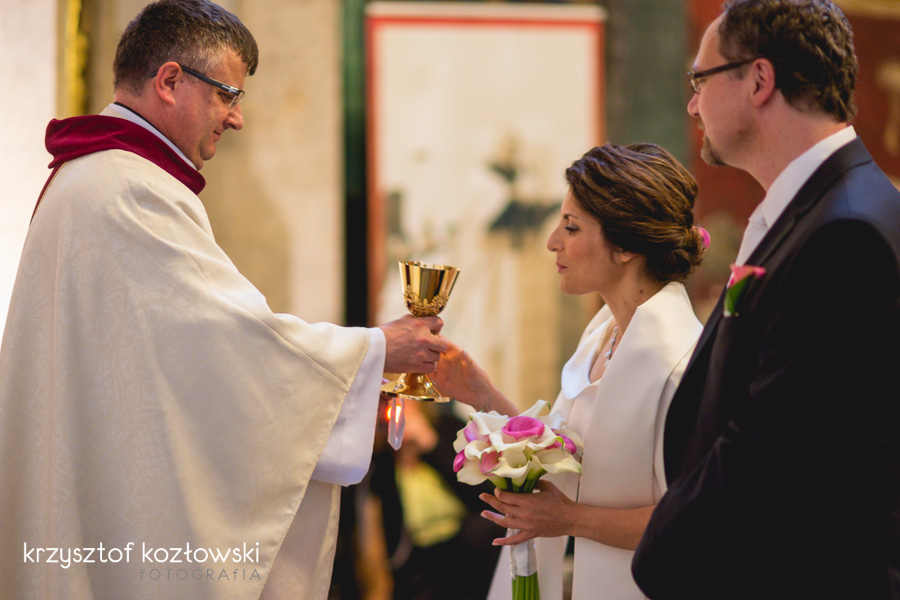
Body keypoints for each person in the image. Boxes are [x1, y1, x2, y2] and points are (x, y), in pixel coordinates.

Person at [0, 1, 447, 598]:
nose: (237, 118)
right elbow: (231, 347)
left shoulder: (97, 177)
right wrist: (376, 350)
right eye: (227, 95)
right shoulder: (129, 190)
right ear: (169, 81)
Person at [631, 1, 900, 598]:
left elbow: (776, 442)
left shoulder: (845, 230)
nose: (692, 105)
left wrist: (658, 555)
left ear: (758, 80)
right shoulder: (821, 205)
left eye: (700, 80)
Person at [433, 142, 707, 600]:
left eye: (572, 227)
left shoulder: (678, 361)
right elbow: (566, 455)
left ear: (625, 244)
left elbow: (695, 521)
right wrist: (482, 394)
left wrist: (569, 520)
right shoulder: (603, 334)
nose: (552, 242)